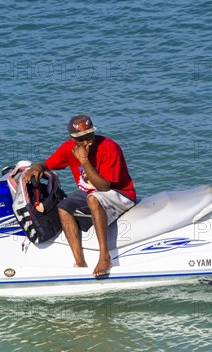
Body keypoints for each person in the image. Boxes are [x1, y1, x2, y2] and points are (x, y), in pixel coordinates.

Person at [24, 114, 136, 277]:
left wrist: (84, 161)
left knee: (93, 198)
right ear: (73, 139)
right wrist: (37, 167)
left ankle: (105, 257)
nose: (86, 142)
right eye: (81, 139)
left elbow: (103, 187)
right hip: (91, 193)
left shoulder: (110, 147)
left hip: (120, 193)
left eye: (89, 136)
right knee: (63, 207)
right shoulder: (68, 148)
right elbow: (47, 164)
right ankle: (80, 261)